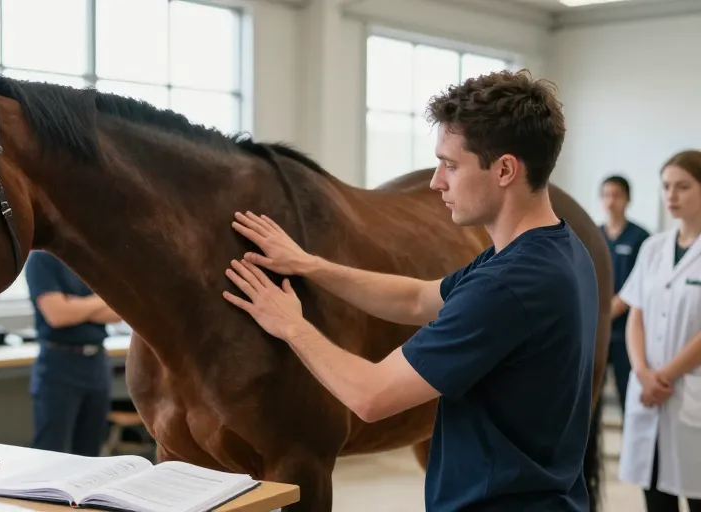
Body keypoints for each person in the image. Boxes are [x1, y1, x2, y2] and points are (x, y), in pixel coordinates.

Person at [222, 70, 598, 511]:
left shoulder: (509, 284)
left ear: (504, 169)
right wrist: (311, 265)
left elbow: (371, 395)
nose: (437, 181)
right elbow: (418, 298)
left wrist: (291, 325)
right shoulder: (555, 248)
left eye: (451, 165)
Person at [617, 150, 701, 511]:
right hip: (648, 390)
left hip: (686, 391)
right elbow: (636, 313)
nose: (671, 195)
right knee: (656, 499)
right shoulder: (653, 248)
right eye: (666, 186)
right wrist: (642, 372)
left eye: (683, 186)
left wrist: (663, 376)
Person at [24, 250, 122, 456]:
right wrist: (101, 300)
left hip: (97, 363)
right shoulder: (42, 258)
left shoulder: (93, 258)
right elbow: (57, 315)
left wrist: (73, 305)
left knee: (91, 451)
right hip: (59, 363)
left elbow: (117, 312)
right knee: (50, 450)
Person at [599, 175, 650, 415]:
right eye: (606, 195)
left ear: (627, 199)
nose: (611, 201)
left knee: (627, 396)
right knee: (590, 401)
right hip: (597, 332)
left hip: (626, 332)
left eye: (616, 195)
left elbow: (642, 284)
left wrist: (611, 311)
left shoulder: (641, 238)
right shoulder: (593, 235)